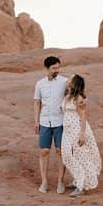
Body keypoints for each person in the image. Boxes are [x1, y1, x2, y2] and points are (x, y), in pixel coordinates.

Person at [61, 74, 101, 197]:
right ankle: (78, 179)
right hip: (67, 130)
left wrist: (82, 135)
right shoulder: (68, 96)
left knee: (80, 155)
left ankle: (80, 186)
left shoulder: (79, 98)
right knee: (67, 154)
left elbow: (83, 116)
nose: (67, 80)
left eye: (70, 79)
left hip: (77, 129)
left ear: (74, 83)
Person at [34, 55, 69, 193]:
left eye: (58, 67)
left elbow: (74, 94)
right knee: (44, 151)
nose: (57, 70)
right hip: (44, 121)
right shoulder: (40, 84)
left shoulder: (64, 81)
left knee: (61, 151)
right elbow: (37, 103)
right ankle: (44, 182)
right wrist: (36, 121)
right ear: (47, 68)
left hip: (60, 121)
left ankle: (61, 182)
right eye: (54, 68)